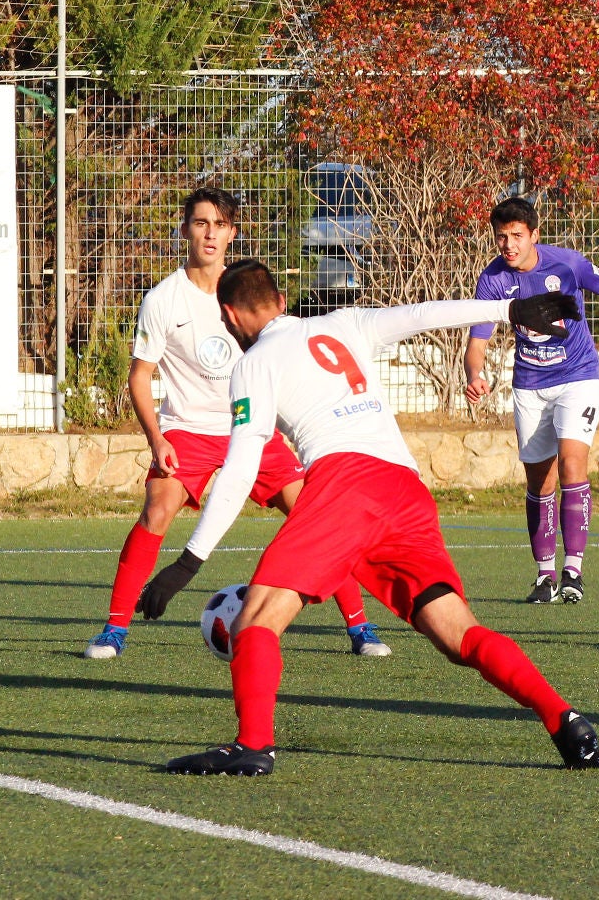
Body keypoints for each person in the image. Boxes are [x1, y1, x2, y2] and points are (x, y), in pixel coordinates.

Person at [161, 259, 599, 774]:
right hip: (405, 488)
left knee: (256, 618)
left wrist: (189, 562)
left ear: (230, 316)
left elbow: (240, 467)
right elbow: (423, 314)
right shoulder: (345, 322)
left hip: (345, 483)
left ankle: (254, 745)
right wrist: (509, 308)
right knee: (458, 632)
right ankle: (563, 718)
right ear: (282, 302)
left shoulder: (253, 363)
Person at [82, 187, 391, 660]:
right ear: (185, 228)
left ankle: (360, 626)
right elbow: (139, 376)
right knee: (157, 511)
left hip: (253, 430)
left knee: (314, 513)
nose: (210, 233)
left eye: (220, 225)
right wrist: (157, 438)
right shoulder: (163, 299)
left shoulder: (245, 291)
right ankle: (114, 629)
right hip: (187, 431)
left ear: (232, 232)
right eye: (201, 222)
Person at [464, 196, 599, 604]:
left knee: (572, 463)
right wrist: (473, 375)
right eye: (501, 237)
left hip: (577, 377)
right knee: (538, 479)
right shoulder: (493, 280)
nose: (508, 245)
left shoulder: (566, 264)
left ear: (534, 236)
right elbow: (477, 342)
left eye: (516, 236)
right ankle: (545, 576)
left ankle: (573, 571)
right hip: (529, 385)